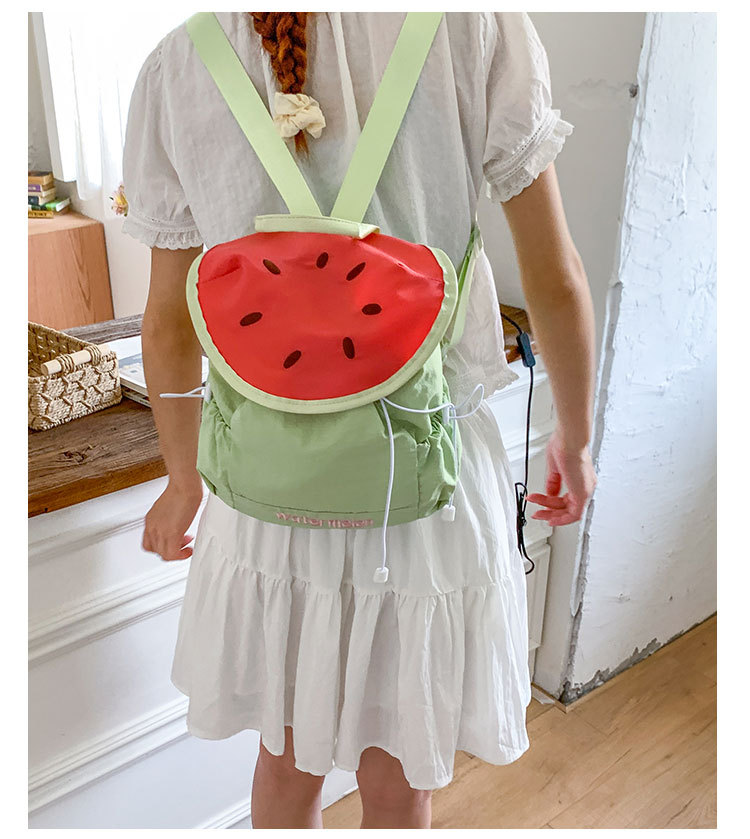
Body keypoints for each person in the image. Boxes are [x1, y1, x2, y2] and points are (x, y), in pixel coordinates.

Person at [122, 11, 596, 829]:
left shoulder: (178, 65)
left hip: (268, 480)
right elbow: (555, 274)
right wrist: (576, 438)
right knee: (400, 775)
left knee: (284, 759)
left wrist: (181, 478)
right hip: (420, 475)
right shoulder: (472, 26)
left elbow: (167, 321)